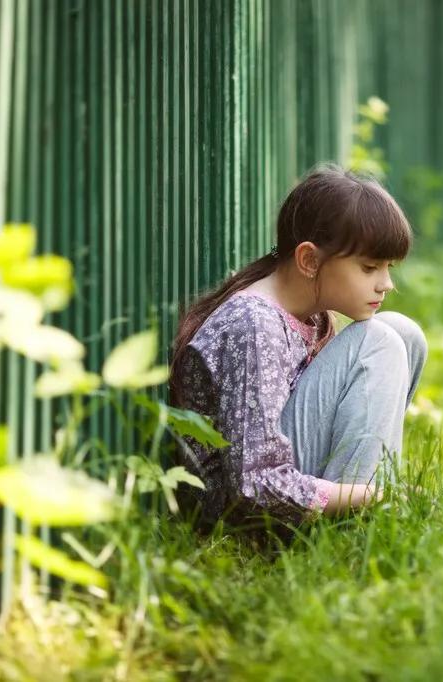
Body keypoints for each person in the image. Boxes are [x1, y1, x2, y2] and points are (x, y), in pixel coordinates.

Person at [168, 162, 428, 540]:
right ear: (309, 260)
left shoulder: (311, 312)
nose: (386, 283)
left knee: (403, 333)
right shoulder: (254, 325)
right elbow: (254, 483)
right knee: (380, 343)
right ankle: (355, 526)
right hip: (246, 519)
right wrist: (373, 495)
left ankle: (361, 509)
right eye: (370, 267)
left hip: (285, 486)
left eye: (387, 267)